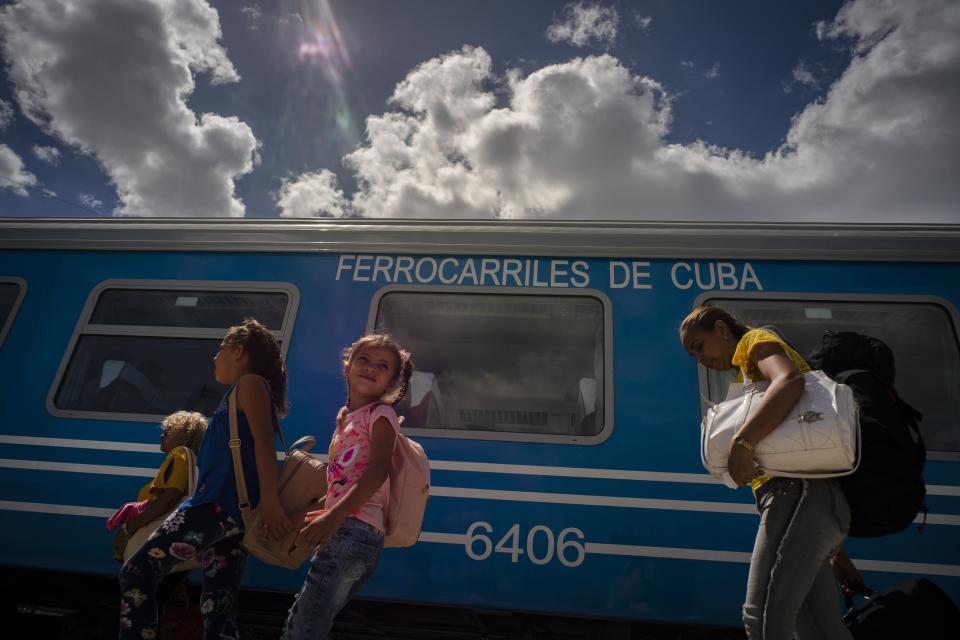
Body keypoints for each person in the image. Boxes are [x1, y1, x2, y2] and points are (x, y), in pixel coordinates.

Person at [679, 306, 853, 640]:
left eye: (699, 346)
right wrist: (833, 551)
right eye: (692, 355)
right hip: (809, 503)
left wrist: (741, 444)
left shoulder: (754, 342)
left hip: (795, 494)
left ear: (721, 328)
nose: (699, 358)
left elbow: (789, 380)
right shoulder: (745, 372)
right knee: (818, 627)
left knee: (762, 620)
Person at [118, 318, 293, 639]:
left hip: (214, 506)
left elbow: (265, 441)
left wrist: (270, 500)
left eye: (221, 349)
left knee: (136, 572)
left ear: (238, 351)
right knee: (218, 608)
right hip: (232, 516)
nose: (215, 358)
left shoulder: (250, 384)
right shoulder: (244, 390)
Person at [281, 333, 414, 639]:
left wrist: (333, 516)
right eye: (364, 359)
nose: (371, 367)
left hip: (354, 530)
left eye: (383, 366)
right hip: (347, 528)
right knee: (305, 615)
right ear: (347, 366)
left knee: (307, 625)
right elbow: (343, 483)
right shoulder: (348, 419)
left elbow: (378, 472)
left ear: (391, 382)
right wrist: (315, 514)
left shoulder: (382, 415)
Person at [107, 410, 206, 606]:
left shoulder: (179, 454)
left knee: (142, 599)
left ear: (181, 434)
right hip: (176, 544)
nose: (162, 435)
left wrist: (128, 529)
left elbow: (171, 495)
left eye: (168, 431)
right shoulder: (195, 462)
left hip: (160, 542)